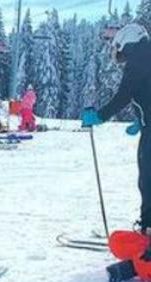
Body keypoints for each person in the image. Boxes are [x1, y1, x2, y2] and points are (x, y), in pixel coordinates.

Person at [82, 23, 151, 238]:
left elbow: (123, 95)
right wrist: (141, 120)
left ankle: (148, 229)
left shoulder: (139, 59)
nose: (122, 58)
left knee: (148, 178)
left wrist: (99, 116)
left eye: (121, 51)